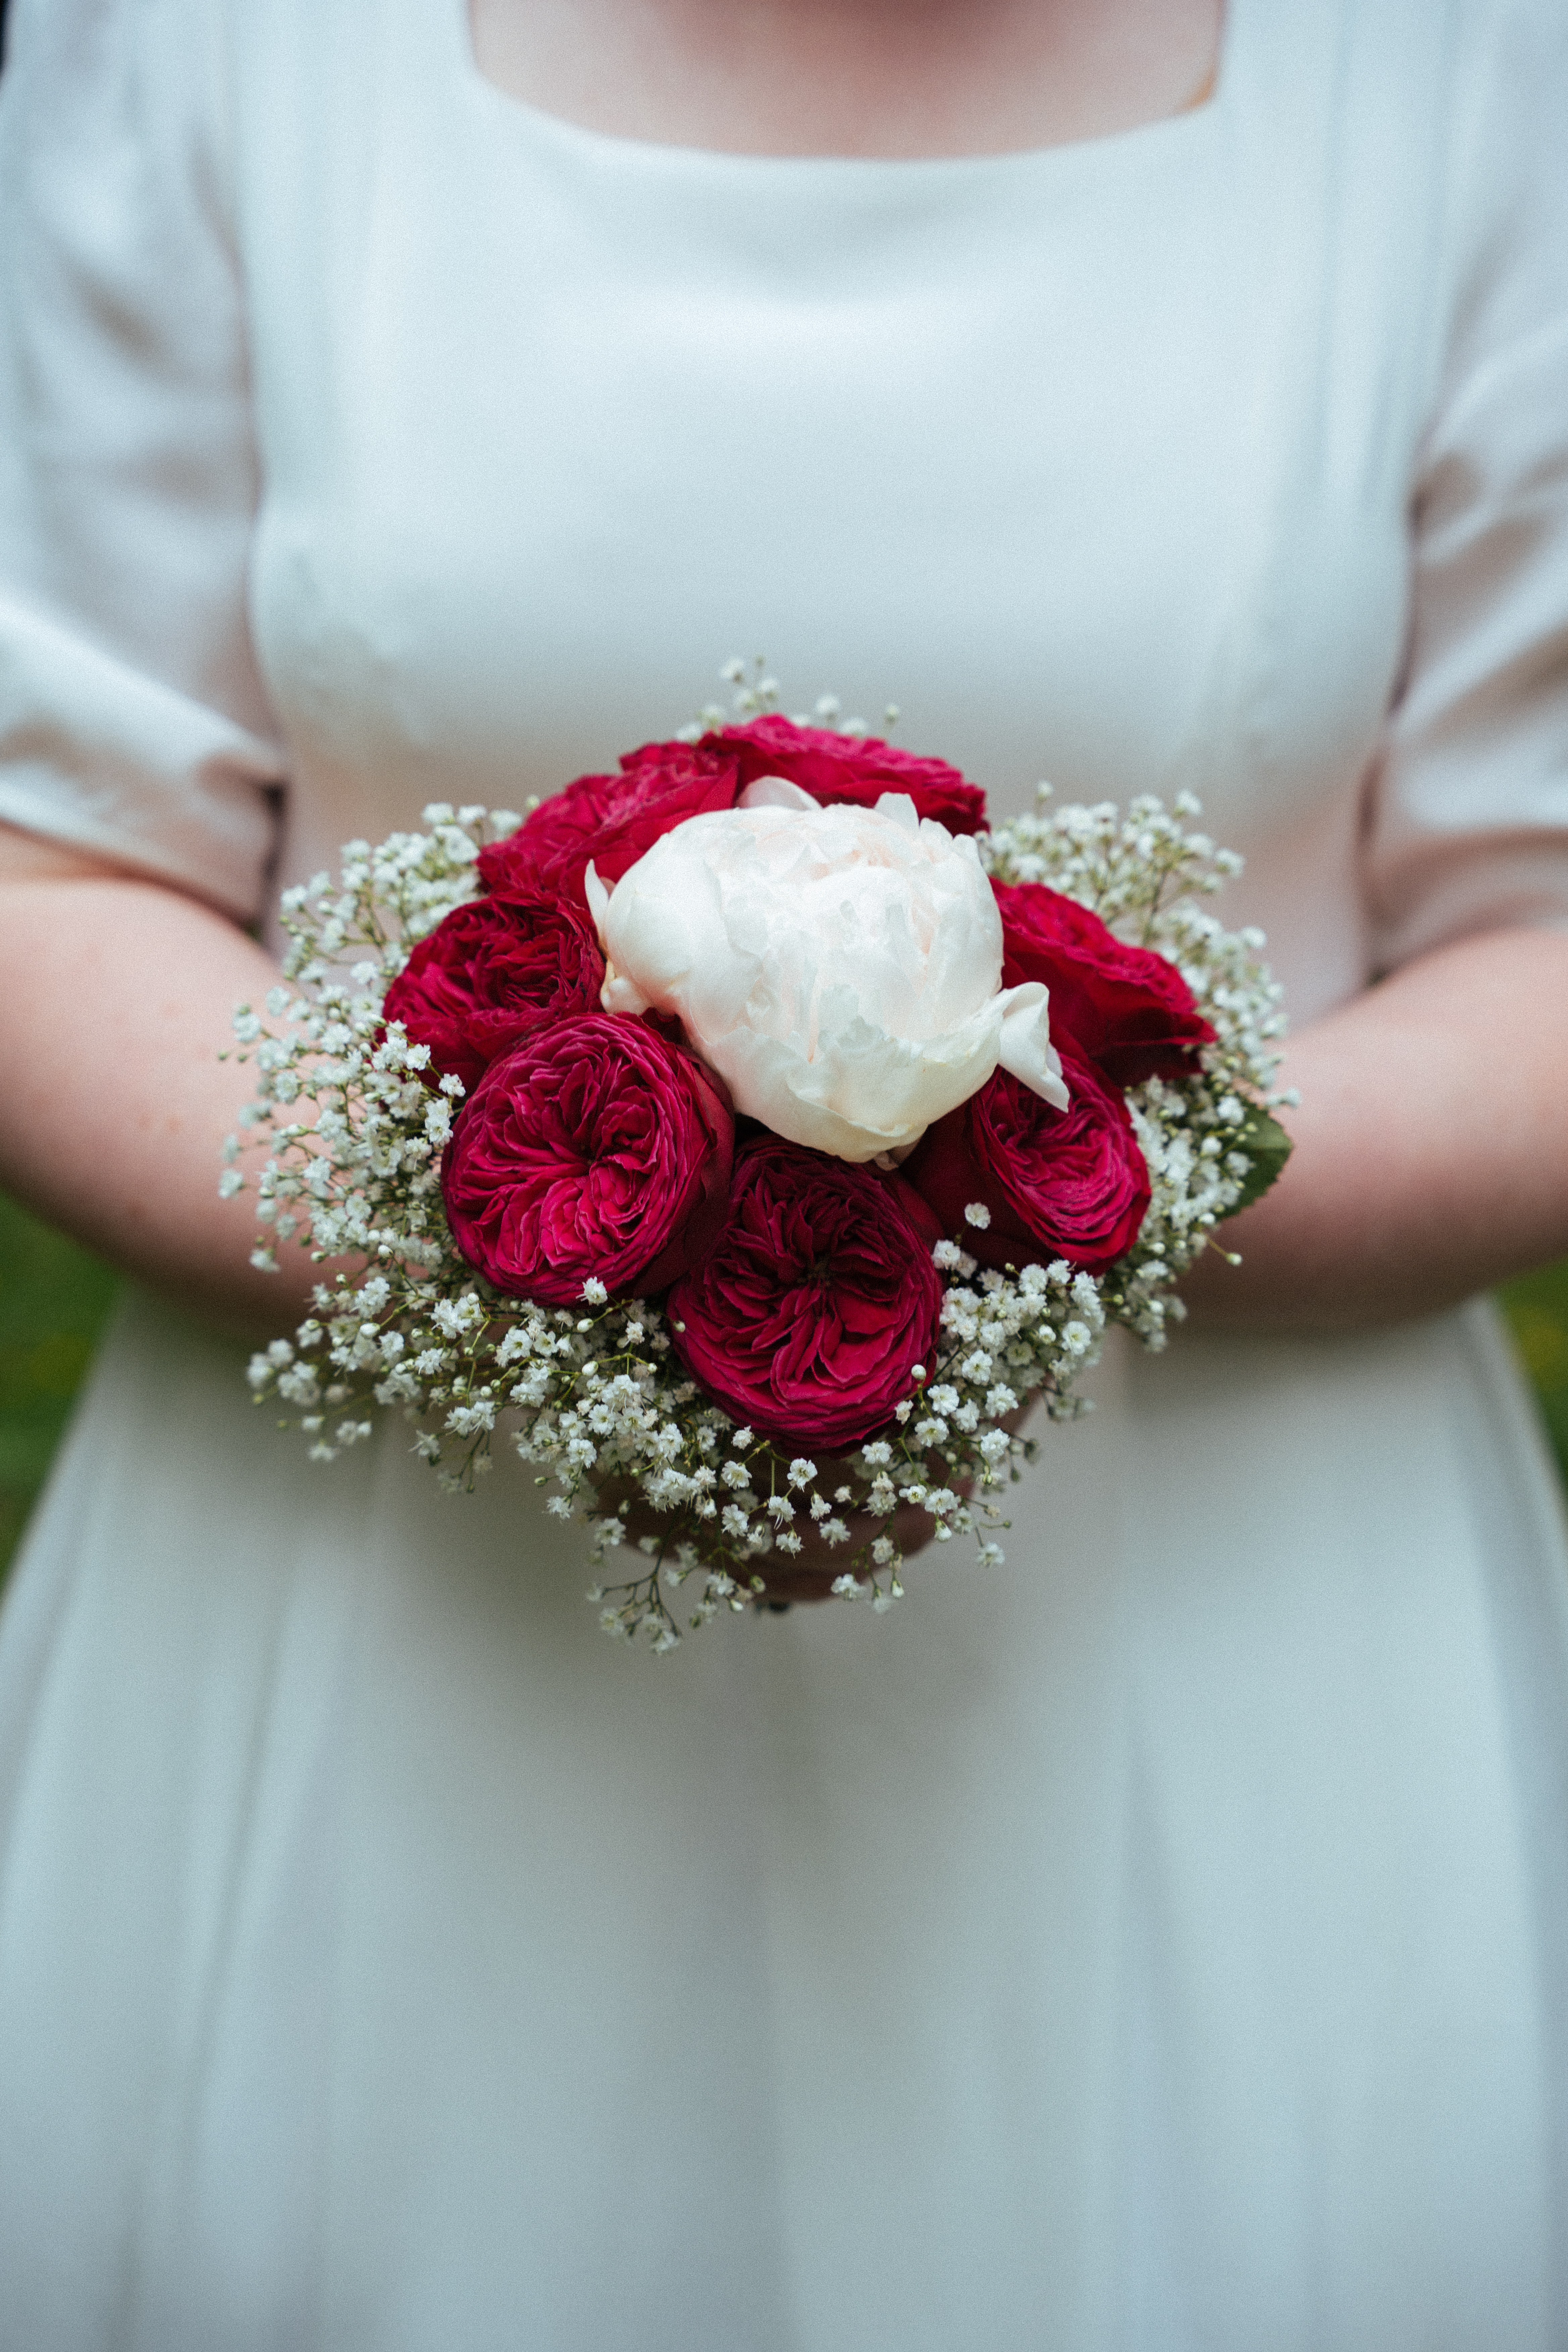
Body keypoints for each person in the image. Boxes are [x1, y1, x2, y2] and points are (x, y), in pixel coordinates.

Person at [1, 0, 1567, 2341]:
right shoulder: (206, 43)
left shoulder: (1482, 72)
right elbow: (52, 858)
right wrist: (546, 1240)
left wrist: (1021, 1241)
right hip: (384, 1659)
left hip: (1236, 1676)